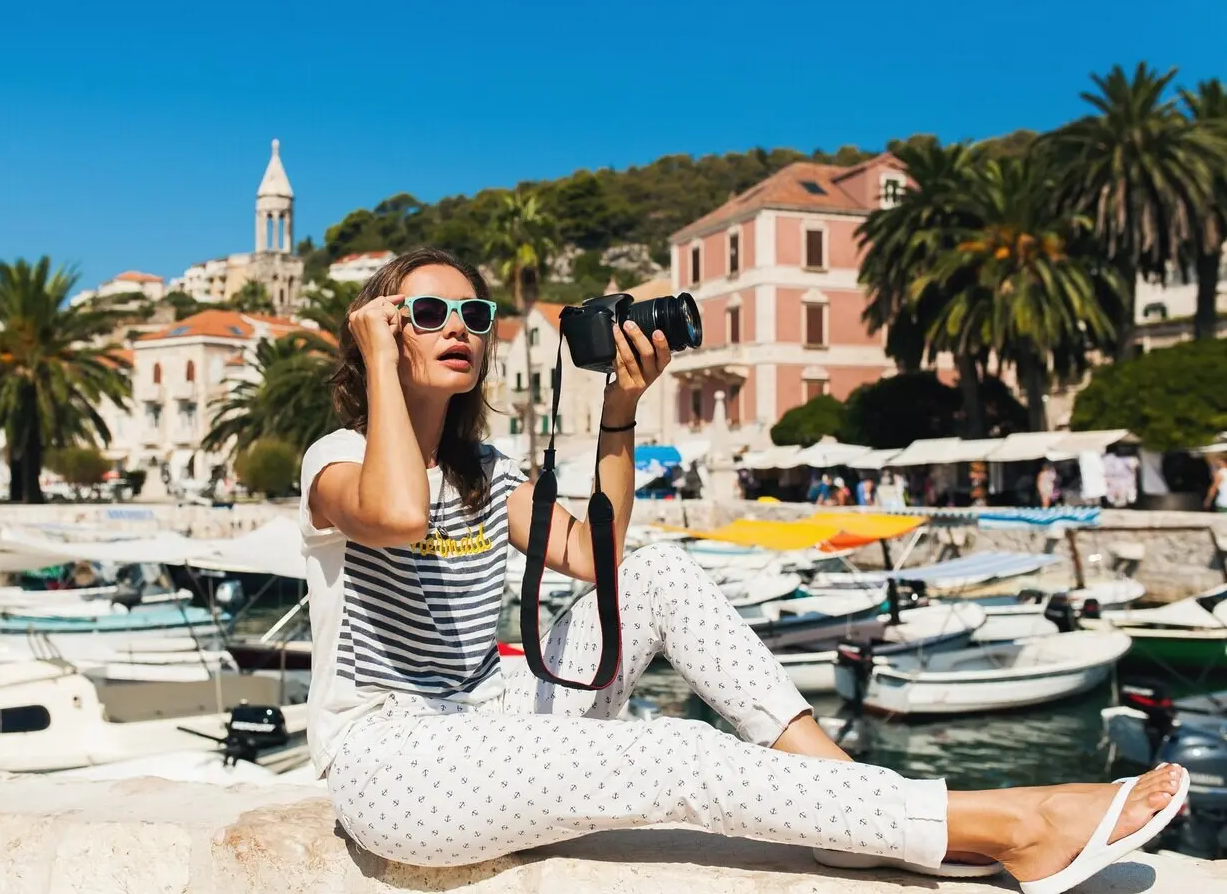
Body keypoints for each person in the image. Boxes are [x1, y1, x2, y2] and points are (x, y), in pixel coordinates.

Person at [299, 247, 1184, 894]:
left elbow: (596, 557)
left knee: (659, 573)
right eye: (423, 315)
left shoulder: (485, 469)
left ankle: (845, 796)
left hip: (486, 719)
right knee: (671, 750)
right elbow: (398, 513)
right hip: (394, 760)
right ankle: (1006, 827)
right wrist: (376, 360)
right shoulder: (334, 461)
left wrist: (622, 408)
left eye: (473, 316)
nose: (456, 327)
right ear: (381, 335)